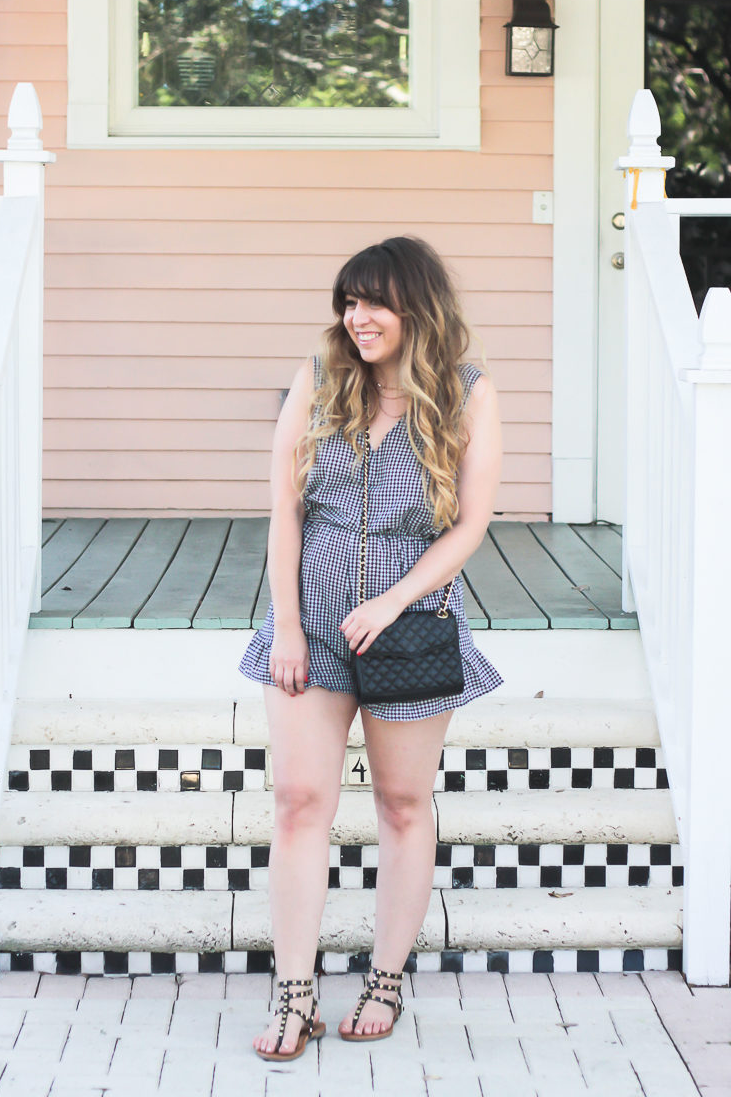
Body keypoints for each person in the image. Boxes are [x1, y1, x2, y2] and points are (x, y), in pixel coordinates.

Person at [238, 235, 504, 1060]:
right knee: (298, 802)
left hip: (411, 624)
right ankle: (294, 993)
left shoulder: (466, 392)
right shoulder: (318, 381)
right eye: (348, 302)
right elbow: (285, 508)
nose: (357, 317)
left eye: (374, 302)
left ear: (416, 307)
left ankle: (385, 980)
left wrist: (391, 601)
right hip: (310, 623)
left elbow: (471, 525)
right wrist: (286, 623)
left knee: (400, 805)